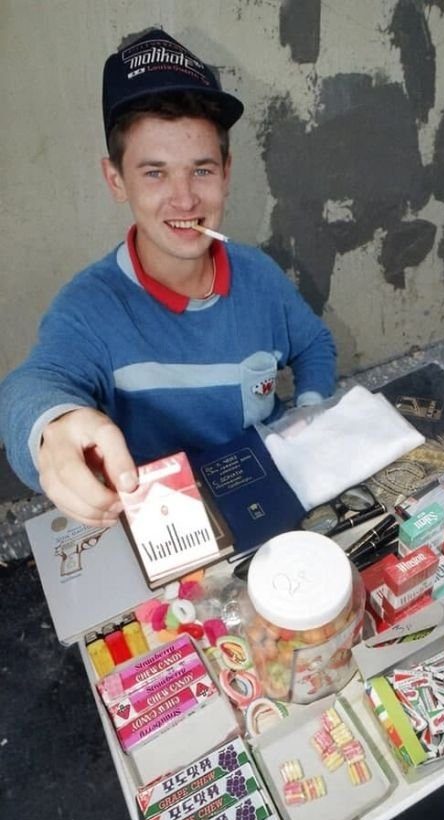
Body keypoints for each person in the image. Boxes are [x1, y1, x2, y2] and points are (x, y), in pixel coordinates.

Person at [0, 28, 336, 527]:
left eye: (201, 170)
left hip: (269, 494)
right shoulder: (90, 306)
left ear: (226, 172)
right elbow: (32, 384)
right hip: (163, 520)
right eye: (155, 172)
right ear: (116, 180)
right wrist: (55, 426)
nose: (184, 199)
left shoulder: (260, 277)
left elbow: (314, 345)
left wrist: (308, 413)